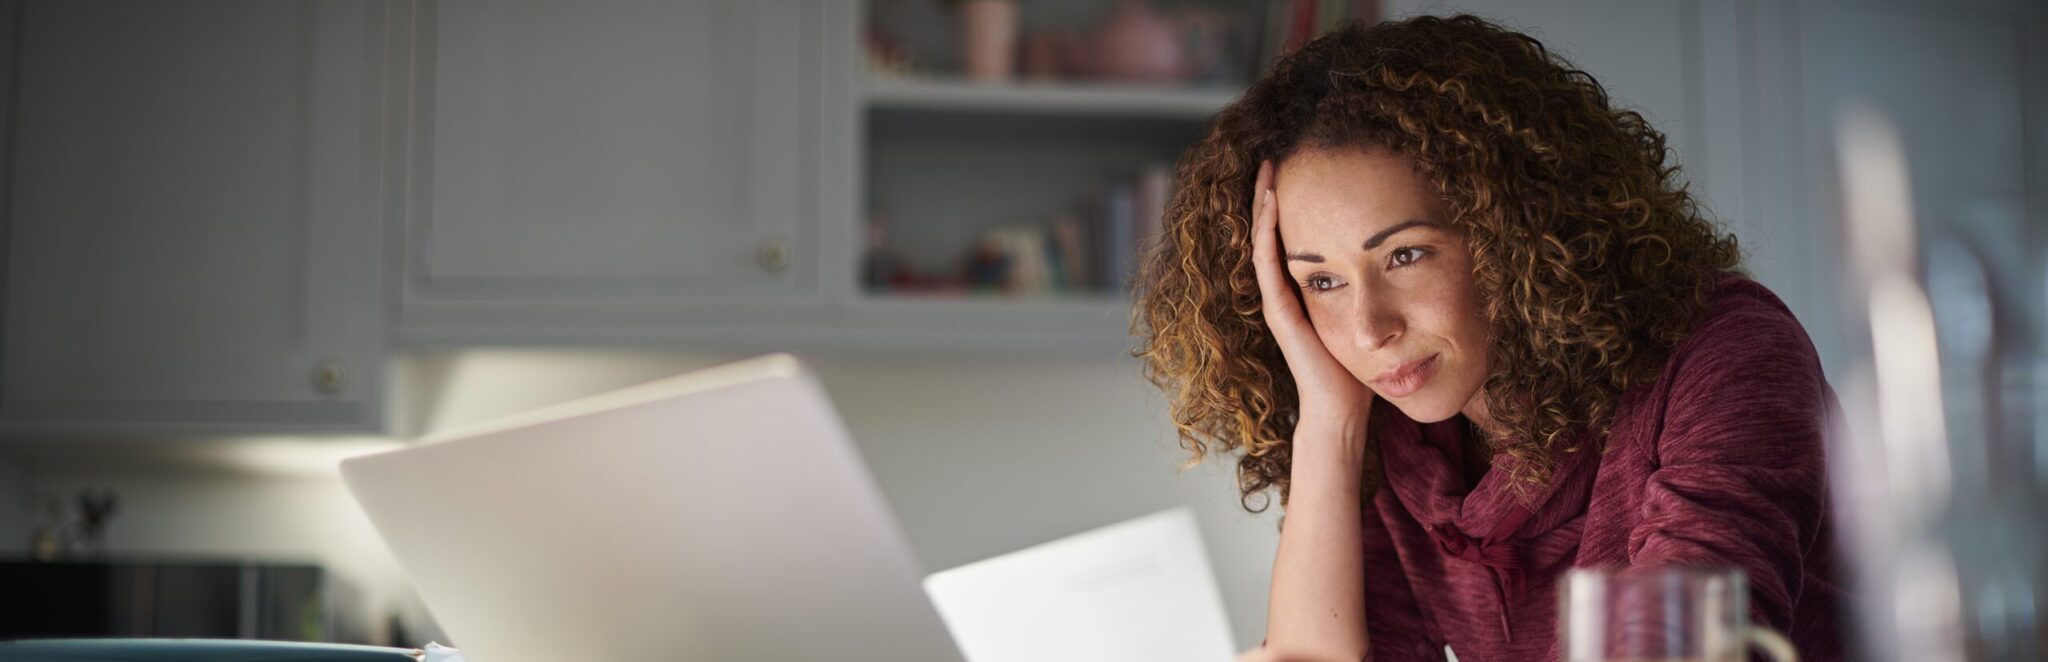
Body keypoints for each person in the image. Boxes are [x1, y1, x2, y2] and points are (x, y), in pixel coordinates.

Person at [1132, 15, 1845, 661]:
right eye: (1321, 281)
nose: (1368, 328)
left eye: (1404, 255)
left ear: (1515, 231)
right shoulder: (1400, 432)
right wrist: (1328, 419)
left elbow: (1693, 648)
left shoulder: (1726, 352)